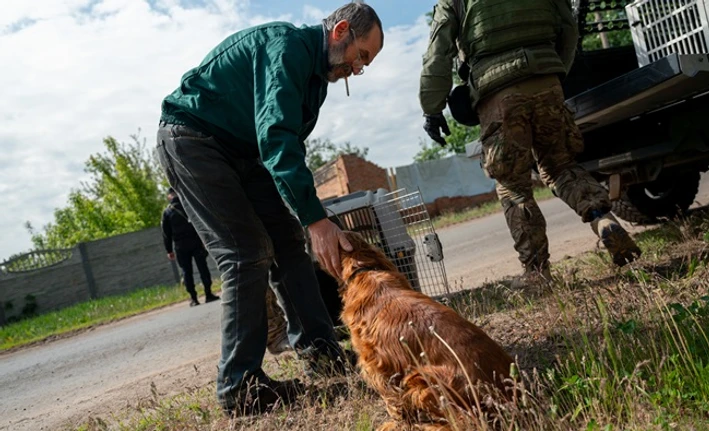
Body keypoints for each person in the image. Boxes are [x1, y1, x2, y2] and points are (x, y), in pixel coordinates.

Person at [155, 1, 384, 415]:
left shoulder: (316, 81)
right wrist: (315, 219)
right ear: (341, 31)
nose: (359, 68)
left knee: (289, 246)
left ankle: (321, 354)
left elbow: (285, 147)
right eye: (361, 55)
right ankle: (239, 388)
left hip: (245, 154)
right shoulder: (289, 49)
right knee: (244, 253)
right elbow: (276, 137)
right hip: (194, 140)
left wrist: (306, 217)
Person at [419, 0, 641, 284]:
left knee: (513, 185)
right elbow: (568, 26)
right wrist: (554, 69)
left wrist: (432, 108)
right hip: (546, 80)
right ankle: (603, 220)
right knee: (560, 166)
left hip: (498, 93)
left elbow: (438, 52)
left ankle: (537, 273)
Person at [161, 188, 219, 306]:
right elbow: (200, 223)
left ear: (169, 197)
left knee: (186, 271)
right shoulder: (189, 205)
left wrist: (169, 250)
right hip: (196, 242)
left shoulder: (167, 212)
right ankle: (208, 294)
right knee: (203, 268)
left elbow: (166, 233)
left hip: (180, 245)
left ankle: (194, 298)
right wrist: (205, 239)